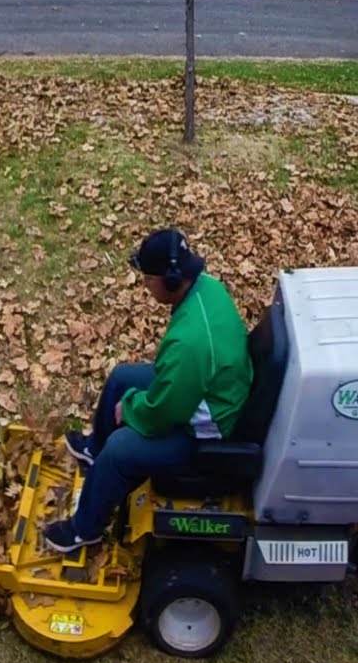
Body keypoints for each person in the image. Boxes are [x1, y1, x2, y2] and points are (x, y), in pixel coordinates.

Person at [42, 228, 254, 554]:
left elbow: (165, 413)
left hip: (209, 427)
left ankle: (84, 529)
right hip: (205, 387)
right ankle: (92, 451)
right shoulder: (206, 288)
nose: (145, 286)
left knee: (119, 449)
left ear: (169, 281)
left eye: (147, 279)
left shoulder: (189, 342)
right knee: (122, 378)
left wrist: (129, 409)